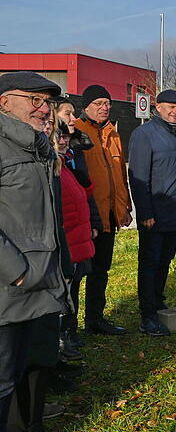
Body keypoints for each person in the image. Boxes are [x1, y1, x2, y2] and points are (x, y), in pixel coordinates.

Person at [0, 71, 65, 432]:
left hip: (33, 289)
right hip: (8, 288)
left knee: (9, 380)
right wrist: (14, 269)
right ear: (5, 102)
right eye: (35, 100)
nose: (44, 109)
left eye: (47, 102)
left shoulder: (38, 147)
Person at [128, 90, 176, 336]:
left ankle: (157, 300)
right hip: (154, 214)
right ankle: (148, 316)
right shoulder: (144, 134)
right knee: (150, 263)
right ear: (158, 107)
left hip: (174, 212)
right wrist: (145, 211)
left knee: (165, 259)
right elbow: (138, 177)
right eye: (171, 107)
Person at [74, 84, 132, 335]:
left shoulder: (114, 134)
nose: (104, 108)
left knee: (101, 271)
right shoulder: (76, 132)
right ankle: (69, 329)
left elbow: (120, 175)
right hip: (86, 216)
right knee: (77, 274)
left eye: (107, 103)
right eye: (98, 104)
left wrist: (125, 207)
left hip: (109, 215)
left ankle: (95, 320)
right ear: (85, 107)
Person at [55, 97, 101, 347]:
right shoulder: (52, 158)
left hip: (79, 237)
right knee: (64, 292)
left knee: (74, 287)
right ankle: (64, 338)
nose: (74, 120)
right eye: (68, 114)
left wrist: (93, 220)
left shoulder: (73, 152)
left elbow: (83, 192)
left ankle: (71, 333)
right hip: (66, 239)